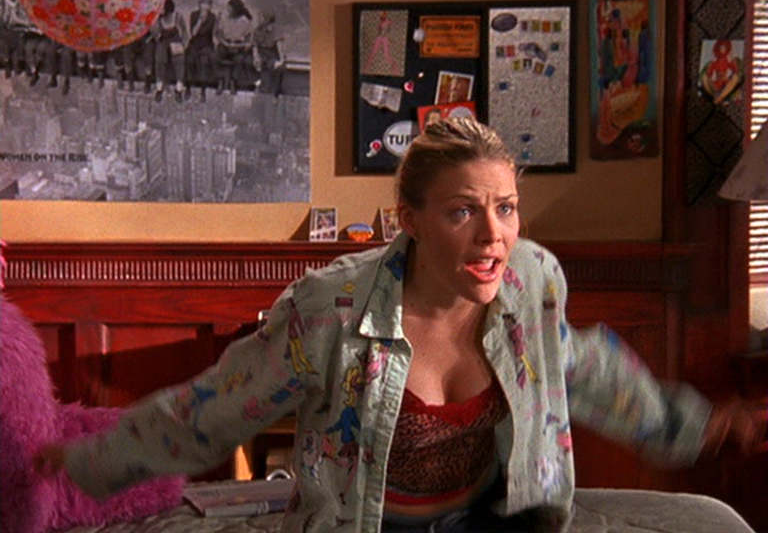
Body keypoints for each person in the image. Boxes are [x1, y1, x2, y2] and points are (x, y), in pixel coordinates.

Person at [36, 118, 765, 533]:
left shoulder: (533, 281)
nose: (493, 235)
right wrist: (86, 459)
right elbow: (215, 407)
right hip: (365, 524)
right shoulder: (331, 309)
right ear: (410, 221)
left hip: (497, 521)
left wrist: (694, 424)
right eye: (462, 211)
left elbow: (587, 368)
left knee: (715, 523)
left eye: (506, 208)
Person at [151, 0, 189, 103]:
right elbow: (155, 32)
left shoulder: (177, 17)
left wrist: (185, 43)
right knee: (160, 60)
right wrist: (157, 35)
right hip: (163, 42)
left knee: (179, 61)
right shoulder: (159, 19)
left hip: (175, 41)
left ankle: (179, 88)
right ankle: (159, 87)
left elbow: (184, 30)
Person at [215, 0, 254, 95]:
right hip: (225, 44)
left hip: (238, 45)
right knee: (217, 54)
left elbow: (248, 41)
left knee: (239, 59)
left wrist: (239, 46)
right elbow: (218, 35)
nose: (228, 10)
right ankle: (220, 80)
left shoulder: (245, 21)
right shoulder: (224, 19)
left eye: (230, 8)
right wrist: (225, 43)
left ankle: (233, 81)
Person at [185, 0, 217, 102]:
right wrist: (199, 21)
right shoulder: (194, 15)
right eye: (203, 3)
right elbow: (193, 33)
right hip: (195, 43)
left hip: (206, 44)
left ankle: (203, 90)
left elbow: (208, 32)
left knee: (204, 62)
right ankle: (188, 87)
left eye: (207, 4)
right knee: (189, 60)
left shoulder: (212, 18)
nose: (204, 6)